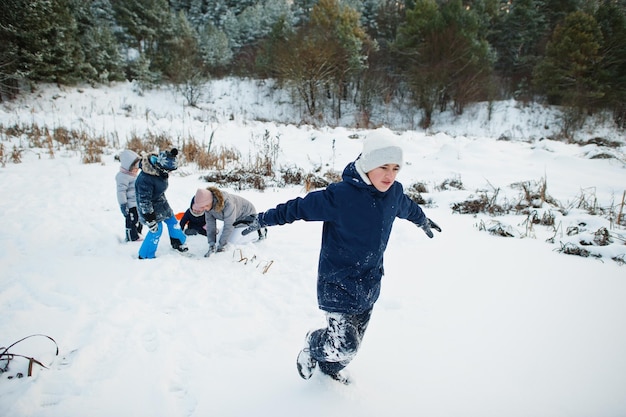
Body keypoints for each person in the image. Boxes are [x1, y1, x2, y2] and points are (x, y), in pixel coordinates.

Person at [241, 128, 441, 383]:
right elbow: (298, 208)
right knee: (345, 345)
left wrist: (422, 220)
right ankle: (312, 344)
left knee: (348, 351)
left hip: (369, 281)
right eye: (383, 167)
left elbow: (408, 207)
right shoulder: (340, 196)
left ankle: (328, 372)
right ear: (368, 164)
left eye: (395, 168)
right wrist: (264, 218)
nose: (390, 175)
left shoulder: (394, 193)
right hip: (337, 281)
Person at [135, 148, 188, 259]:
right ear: (160, 166)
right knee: (156, 230)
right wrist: (150, 218)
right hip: (148, 207)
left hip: (160, 202)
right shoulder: (145, 179)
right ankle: (145, 255)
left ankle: (178, 242)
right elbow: (144, 200)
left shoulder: (160, 171)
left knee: (173, 221)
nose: (169, 173)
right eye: (168, 170)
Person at [188, 186, 267, 258]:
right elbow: (210, 225)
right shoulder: (207, 206)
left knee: (231, 242)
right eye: (202, 207)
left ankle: (259, 232)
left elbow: (229, 226)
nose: (204, 208)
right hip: (234, 219)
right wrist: (212, 245)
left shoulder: (228, 203)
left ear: (210, 201)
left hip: (246, 217)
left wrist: (221, 246)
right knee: (220, 238)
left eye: (205, 205)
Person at [115, 149, 143, 242]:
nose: (137, 170)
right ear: (128, 166)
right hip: (129, 205)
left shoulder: (132, 175)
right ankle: (131, 237)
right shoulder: (122, 177)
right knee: (131, 221)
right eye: (135, 168)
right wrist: (123, 204)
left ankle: (138, 233)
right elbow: (121, 192)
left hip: (136, 203)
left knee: (138, 220)